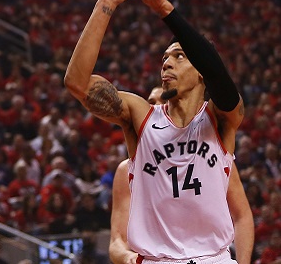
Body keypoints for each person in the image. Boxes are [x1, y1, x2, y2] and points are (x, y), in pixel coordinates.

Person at [64, 0, 244, 264]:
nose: (166, 62)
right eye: (164, 57)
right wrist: (105, 3)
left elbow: (216, 69)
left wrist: (164, 9)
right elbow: (77, 84)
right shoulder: (141, 115)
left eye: (179, 56)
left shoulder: (221, 118)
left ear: (200, 72)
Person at [109, 87, 254, 264]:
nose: (156, 108)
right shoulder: (126, 170)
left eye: (162, 103)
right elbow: (117, 242)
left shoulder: (211, 156)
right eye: (151, 104)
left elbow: (242, 216)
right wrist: (128, 257)